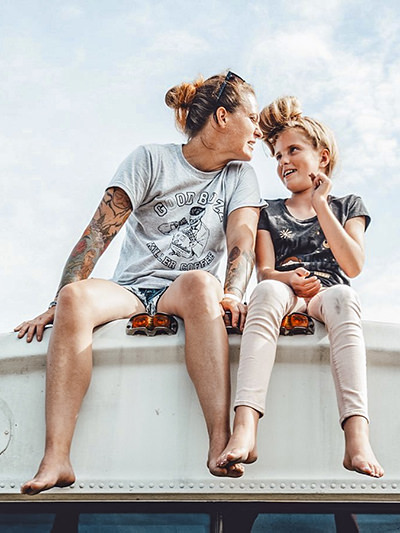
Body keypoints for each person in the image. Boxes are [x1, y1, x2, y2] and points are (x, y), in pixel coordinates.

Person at [14, 70, 263, 495]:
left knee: (204, 285)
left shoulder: (239, 176)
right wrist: (57, 301)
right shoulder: (150, 159)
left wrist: (234, 293)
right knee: (75, 297)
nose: (258, 130)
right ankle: (56, 457)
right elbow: (98, 233)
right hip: (130, 289)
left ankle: (219, 443)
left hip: (182, 289)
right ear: (222, 116)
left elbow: (242, 239)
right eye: (252, 117)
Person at [217, 96, 384, 478]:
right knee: (267, 293)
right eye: (276, 155)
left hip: (327, 293)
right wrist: (287, 279)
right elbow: (264, 271)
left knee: (344, 297)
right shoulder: (268, 212)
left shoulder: (347, 205)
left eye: (293, 150)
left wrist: (322, 203)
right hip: (285, 291)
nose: (282, 162)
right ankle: (245, 428)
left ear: (322, 157)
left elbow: (353, 265)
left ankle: (357, 439)